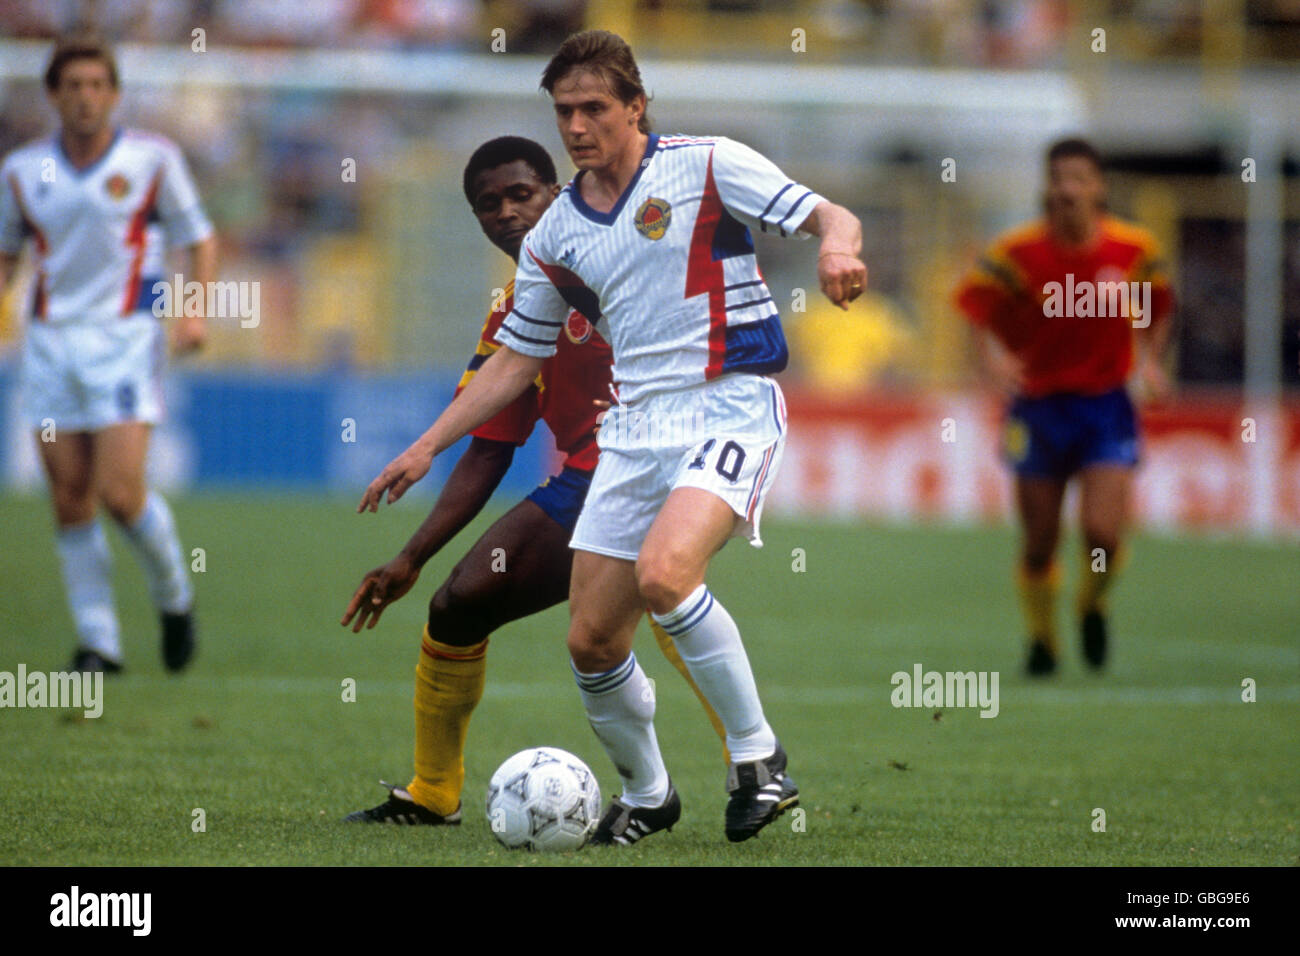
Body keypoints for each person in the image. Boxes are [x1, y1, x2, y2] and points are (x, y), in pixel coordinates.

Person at [360, 30, 867, 844]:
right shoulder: (556, 231)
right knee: (592, 640)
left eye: (594, 107)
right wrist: (427, 445)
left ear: (637, 106)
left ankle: (759, 761)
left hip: (727, 402)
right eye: (565, 111)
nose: (577, 125)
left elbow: (827, 213)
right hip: (632, 428)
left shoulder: (705, 164)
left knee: (668, 574)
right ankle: (649, 793)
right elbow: (515, 358)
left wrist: (839, 244)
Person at [341, 136, 727, 825]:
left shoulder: (628, 260)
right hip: (586, 480)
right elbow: (490, 451)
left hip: (663, 458)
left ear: (555, 193)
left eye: (522, 193)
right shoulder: (517, 313)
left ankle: (747, 765)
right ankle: (434, 793)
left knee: (658, 592)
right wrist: (410, 558)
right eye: (489, 204)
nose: (507, 212)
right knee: (458, 606)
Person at [0, 36, 216, 674]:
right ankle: (100, 644)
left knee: (121, 492)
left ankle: (175, 597)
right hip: (48, 343)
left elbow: (198, 238)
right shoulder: (21, 171)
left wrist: (195, 310)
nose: (86, 97)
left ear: (114, 94)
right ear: (53, 96)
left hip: (125, 337)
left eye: (97, 85)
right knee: (69, 495)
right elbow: (7, 252)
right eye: (73, 86)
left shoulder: (152, 160)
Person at [955, 137, 1174, 676]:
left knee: (1102, 533)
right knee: (1040, 541)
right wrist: (994, 357)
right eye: (1058, 178)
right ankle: (1043, 640)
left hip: (1105, 408)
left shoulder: (1134, 250)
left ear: (1099, 187)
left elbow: (1157, 309)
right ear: (1046, 187)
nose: (1067, 188)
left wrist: (1150, 360)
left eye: (1078, 178)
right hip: (1037, 410)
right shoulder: (1016, 252)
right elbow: (975, 308)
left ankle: (1091, 603)